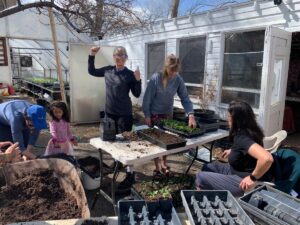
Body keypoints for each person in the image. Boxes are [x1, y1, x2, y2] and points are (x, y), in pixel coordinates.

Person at [88, 46, 142, 189]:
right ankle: (117, 163)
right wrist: (92, 55)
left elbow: (136, 94)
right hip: (110, 113)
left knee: (126, 144)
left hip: (124, 114)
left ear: (126, 57)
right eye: (116, 55)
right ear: (113, 57)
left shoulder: (129, 74)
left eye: (122, 55)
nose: (119, 57)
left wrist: (138, 80)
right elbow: (91, 71)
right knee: (111, 141)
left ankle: (130, 175)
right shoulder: (108, 70)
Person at [195, 100, 274, 197]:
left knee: (200, 177)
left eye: (228, 116)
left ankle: (205, 203)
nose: (227, 119)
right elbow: (247, 148)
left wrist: (252, 178)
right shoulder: (251, 131)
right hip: (237, 171)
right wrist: (234, 150)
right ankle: (215, 194)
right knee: (208, 167)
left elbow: (267, 158)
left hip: (243, 182)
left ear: (236, 119)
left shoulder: (242, 138)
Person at [142, 54, 197, 179]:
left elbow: (185, 98)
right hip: (154, 115)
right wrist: (147, 115)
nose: (173, 74)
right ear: (166, 67)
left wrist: (191, 114)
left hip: (168, 115)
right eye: (172, 71)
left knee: (168, 141)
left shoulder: (178, 79)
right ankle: (157, 167)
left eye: (176, 71)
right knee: (155, 143)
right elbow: (147, 99)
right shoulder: (156, 78)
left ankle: (164, 164)